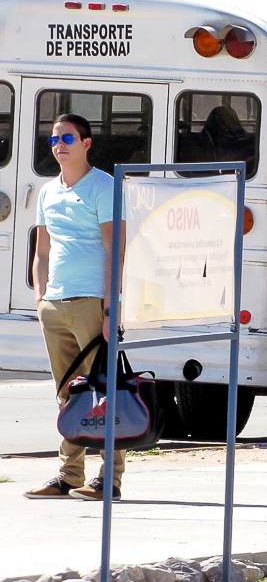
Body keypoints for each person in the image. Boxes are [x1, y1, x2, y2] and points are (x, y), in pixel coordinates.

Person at [24, 114, 126, 501]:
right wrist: (41, 298)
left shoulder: (104, 186)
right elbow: (42, 250)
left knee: (103, 392)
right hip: (55, 304)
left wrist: (109, 308)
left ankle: (109, 478)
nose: (59, 145)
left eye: (67, 138)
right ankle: (69, 474)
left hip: (91, 302)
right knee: (69, 394)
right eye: (54, 139)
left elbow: (115, 249)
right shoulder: (48, 192)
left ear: (86, 143)